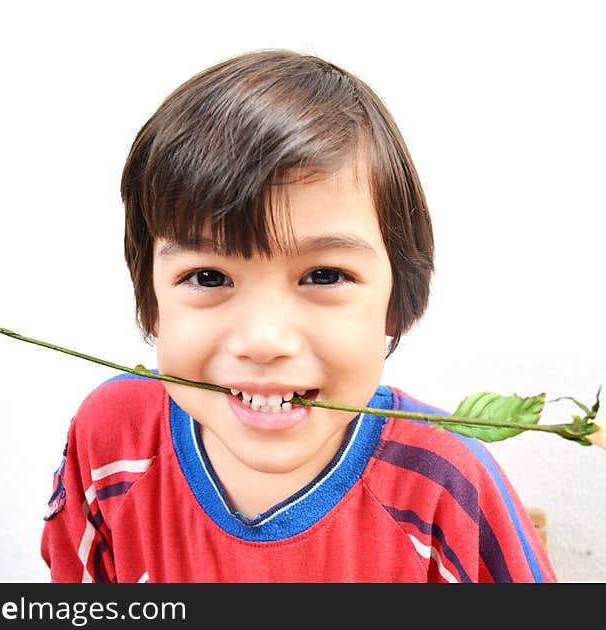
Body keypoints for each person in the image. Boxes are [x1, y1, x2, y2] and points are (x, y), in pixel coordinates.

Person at [41, 49, 556, 583]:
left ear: (397, 302)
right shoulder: (111, 442)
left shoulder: (444, 484)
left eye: (325, 276)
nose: (264, 340)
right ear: (151, 303)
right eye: (209, 278)